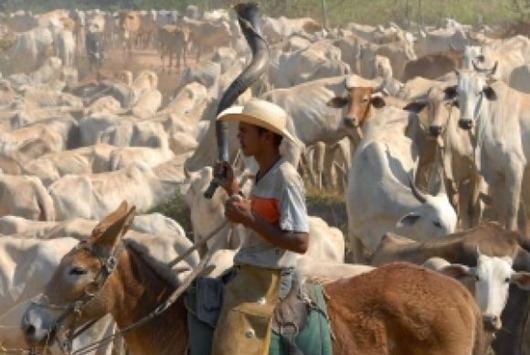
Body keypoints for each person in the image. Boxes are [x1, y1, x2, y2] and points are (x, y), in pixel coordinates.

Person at [210, 98, 310, 355]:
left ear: (266, 137)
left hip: (272, 277)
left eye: (245, 131)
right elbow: (261, 216)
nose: (238, 136)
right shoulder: (263, 174)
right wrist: (232, 188)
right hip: (252, 269)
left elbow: (301, 242)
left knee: (231, 343)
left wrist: (249, 219)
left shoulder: (286, 178)